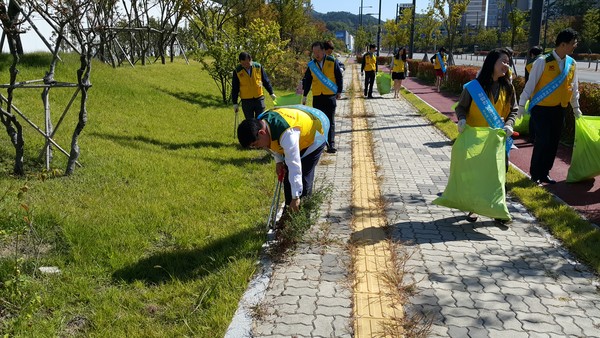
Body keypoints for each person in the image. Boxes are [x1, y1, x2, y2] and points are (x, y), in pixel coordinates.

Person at [454, 48, 518, 223]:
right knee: (476, 174)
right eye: (503, 61)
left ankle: (498, 209)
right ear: (492, 63)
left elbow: (514, 109)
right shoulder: (475, 87)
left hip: (497, 139)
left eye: (508, 62)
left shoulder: (508, 87)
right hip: (476, 139)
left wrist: (509, 124)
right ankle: (474, 208)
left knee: (499, 175)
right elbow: (461, 107)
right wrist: (461, 120)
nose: (506, 65)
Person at [517, 28, 582, 185]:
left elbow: (573, 88)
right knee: (543, 140)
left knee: (553, 141)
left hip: (559, 109)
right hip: (541, 108)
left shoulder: (572, 64)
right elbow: (530, 85)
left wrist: (576, 108)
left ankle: (545, 172)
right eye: (573, 43)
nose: (575, 46)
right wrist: (520, 105)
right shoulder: (542, 61)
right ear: (563, 44)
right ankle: (535, 174)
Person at [237, 105, 329, 214]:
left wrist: (296, 197)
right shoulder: (262, 122)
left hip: (316, 133)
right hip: (298, 128)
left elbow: (295, 166)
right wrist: (279, 161)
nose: (258, 147)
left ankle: (303, 215)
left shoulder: (288, 135)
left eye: (255, 144)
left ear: (261, 133)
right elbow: (272, 140)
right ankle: (288, 212)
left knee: (303, 175)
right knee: (287, 176)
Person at [302, 41, 343, 154]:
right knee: (319, 121)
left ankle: (331, 144)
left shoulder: (332, 61)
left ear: (323, 50)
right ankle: (320, 144)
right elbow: (308, 81)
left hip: (330, 95)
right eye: (314, 52)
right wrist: (305, 96)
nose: (317, 54)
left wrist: (339, 91)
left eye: (319, 51)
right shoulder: (311, 65)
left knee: (330, 119)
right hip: (317, 96)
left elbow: (339, 77)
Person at [231, 52, 277, 120]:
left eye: (247, 63)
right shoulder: (237, 71)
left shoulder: (258, 67)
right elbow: (235, 88)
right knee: (250, 123)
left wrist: (271, 93)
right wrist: (235, 103)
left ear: (250, 60)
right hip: (246, 101)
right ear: (240, 62)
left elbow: (265, 80)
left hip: (259, 98)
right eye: (243, 64)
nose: (245, 65)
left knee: (260, 120)